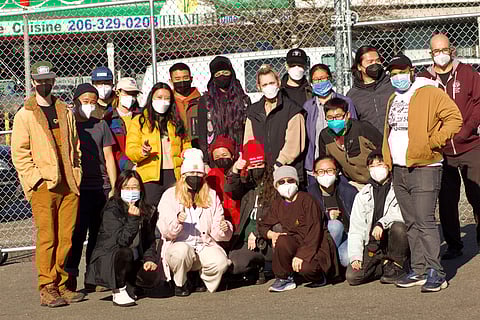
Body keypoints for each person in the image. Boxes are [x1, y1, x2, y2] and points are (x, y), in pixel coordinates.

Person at [383, 54, 462, 292]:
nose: (398, 77)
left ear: (411, 70)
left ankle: (435, 272)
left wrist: (433, 142)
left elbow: (454, 118)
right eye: (394, 73)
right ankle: (418, 269)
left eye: (402, 71)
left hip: (425, 166)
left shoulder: (429, 91)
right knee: (411, 222)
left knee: (425, 220)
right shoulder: (393, 98)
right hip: (399, 167)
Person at [11, 61, 84, 307]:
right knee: (47, 238)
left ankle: (63, 284)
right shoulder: (25, 114)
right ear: (33, 82)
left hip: (69, 184)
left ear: (53, 80)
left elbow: (75, 147)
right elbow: (19, 153)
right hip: (44, 185)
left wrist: (76, 171)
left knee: (66, 238)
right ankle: (47, 286)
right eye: (39, 80)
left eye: (47, 80)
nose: (44, 84)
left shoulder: (65, 111)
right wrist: (36, 180)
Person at [418, 33, 480, 259]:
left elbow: (478, 103)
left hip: (470, 144)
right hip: (441, 149)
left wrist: (468, 128)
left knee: (477, 193)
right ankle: (454, 244)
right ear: (430, 54)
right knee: (446, 199)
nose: (441, 55)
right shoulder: (424, 79)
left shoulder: (467, 73)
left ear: (452, 50)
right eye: (436, 51)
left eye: (445, 50)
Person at [157, 148, 233, 296]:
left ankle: (201, 278)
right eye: (191, 173)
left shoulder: (211, 194)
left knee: (220, 262)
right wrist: (177, 222)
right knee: (181, 252)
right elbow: (165, 231)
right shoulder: (170, 195)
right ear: (183, 175)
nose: (195, 176)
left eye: (199, 173)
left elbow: (218, 232)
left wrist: (224, 228)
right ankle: (180, 282)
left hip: (203, 244)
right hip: (179, 246)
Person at [65, 83, 117, 291]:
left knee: (97, 234)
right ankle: (70, 277)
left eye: (93, 102)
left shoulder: (101, 125)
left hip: (100, 186)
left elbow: (109, 157)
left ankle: (93, 277)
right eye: (85, 102)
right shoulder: (70, 125)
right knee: (76, 235)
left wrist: (114, 187)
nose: (89, 106)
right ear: (76, 101)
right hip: (78, 188)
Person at [85, 170, 161, 307]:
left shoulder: (146, 209)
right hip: (111, 258)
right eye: (126, 187)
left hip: (134, 258)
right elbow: (120, 242)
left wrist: (149, 259)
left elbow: (149, 240)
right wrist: (132, 220)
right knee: (125, 252)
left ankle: (130, 284)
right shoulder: (112, 209)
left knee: (152, 277)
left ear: (141, 189)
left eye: (135, 187)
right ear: (120, 189)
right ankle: (118, 289)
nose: (131, 191)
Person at [257, 166, 339, 292]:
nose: (286, 184)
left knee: (306, 268)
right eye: (281, 182)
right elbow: (263, 225)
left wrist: (302, 255)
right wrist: (271, 234)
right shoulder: (277, 204)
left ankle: (320, 277)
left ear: (296, 182)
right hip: (294, 242)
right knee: (282, 240)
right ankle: (284, 279)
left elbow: (314, 231)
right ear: (276, 185)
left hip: (315, 244)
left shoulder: (308, 200)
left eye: (290, 181)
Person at [346, 150, 409, 286]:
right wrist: (356, 256)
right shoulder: (362, 195)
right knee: (353, 276)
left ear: (388, 165)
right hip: (374, 244)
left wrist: (381, 223)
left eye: (380, 164)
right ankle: (384, 265)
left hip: (393, 238)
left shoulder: (399, 188)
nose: (376, 169)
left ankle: (398, 264)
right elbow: (356, 229)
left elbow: (401, 213)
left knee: (399, 227)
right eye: (372, 166)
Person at [126, 82, 191, 207]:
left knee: (174, 210)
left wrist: (185, 155)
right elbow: (130, 149)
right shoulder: (139, 121)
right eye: (159, 97)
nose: (163, 101)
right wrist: (142, 152)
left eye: (167, 98)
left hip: (173, 174)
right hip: (150, 176)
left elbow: (186, 144)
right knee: (150, 212)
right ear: (151, 98)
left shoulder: (176, 122)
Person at [244, 64, 306, 184]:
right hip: (262, 172)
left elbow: (294, 145)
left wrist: (279, 163)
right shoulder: (253, 112)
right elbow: (249, 141)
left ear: (278, 82)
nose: (269, 87)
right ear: (259, 87)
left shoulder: (292, 109)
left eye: (272, 83)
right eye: (265, 85)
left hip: (286, 172)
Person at [224, 139, 275, 284]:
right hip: (247, 240)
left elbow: (274, 216)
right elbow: (230, 190)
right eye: (253, 165)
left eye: (260, 164)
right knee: (233, 264)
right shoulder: (248, 187)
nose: (257, 168)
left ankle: (269, 265)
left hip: (266, 239)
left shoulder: (274, 185)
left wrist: (258, 232)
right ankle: (255, 266)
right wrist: (235, 169)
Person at [186, 56, 250, 164]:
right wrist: (205, 161)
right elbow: (202, 133)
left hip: (239, 154)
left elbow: (248, 130)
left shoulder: (244, 100)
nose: (222, 77)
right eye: (218, 74)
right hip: (215, 156)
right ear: (213, 77)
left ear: (231, 73)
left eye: (225, 72)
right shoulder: (205, 101)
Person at [303, 64, 358, 186]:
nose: (320, 82)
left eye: (323, 78)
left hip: (342, 165)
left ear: (330, 78)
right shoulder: (308, 107)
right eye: (316, 80)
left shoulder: (345, 102)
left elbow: (354, 128)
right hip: (316, 165)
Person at [318, 97, 382, 188]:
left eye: (338, 116)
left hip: (378, 180)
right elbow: (325, 161)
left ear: (347, 115)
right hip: (354, 183)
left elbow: (383, 148)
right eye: (330, 118)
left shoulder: (362, 129)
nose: (334, 121)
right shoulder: (325, 136)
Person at [307, 156, 358, 267]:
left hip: (348, 234)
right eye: (321, 171)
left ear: (336, 172)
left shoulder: (349, 191)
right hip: (322, 238)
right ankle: (326, 263)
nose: (325, 174)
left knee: (345, 259)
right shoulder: (309, 195)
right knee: (335, 226)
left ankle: (333, 265)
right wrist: (327, 217)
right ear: (315, 174)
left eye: (329, 171)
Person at [347, 46, 395, 133]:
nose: (375, 64)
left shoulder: (392, 85)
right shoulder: (353, 95)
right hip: (370, 143)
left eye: (378, 61)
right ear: (359, 66)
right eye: (370, 62)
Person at [104, 78, 142, 172]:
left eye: (133, 94)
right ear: (118, 92)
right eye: (127, 92)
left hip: (141, 165)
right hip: (119, 170)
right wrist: (129, 166)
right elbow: (112, 150)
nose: (130, 96)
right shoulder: (108, 118)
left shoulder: (143, 116)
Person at [206, 135, 241, 230]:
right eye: (217, 157)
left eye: (224, 155)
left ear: (232, 155)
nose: (221, 158)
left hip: (240, 218)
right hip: (221, 221)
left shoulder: (240, 172)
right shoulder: (212, 176)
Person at [169, 62, 202, 128]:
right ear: (171, 81)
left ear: (191, 79)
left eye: (185, 78)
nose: (182, 81)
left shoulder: (201, 101)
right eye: (177, 79)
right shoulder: (168, 101)